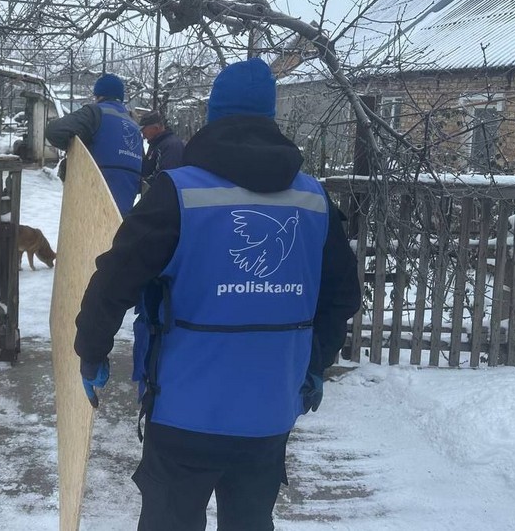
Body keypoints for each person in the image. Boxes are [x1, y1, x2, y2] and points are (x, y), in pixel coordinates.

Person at [74, 57, 362, 531]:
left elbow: (115, 278)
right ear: (271, 118)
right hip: (269, 414)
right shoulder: (313, 201)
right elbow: (342, 296)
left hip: (183, 411)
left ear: (212, 115)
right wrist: (313, 365)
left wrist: (92, 352)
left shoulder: (177, 192)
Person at [44, 73, 143, 216]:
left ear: (99, 96)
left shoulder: (95, 112)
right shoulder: (135, 126)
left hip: (91, 209)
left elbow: (54, 131)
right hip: (122, 215)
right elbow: (141, 172)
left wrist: (75, 149)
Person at [138, 110, 185, 191]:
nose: (142, 133)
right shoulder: (155, 144)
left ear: (156, 127)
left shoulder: (172, 146)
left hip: (164, 198)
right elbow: (146, 169)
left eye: (143, 129)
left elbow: (166, 178)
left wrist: (144, 184)